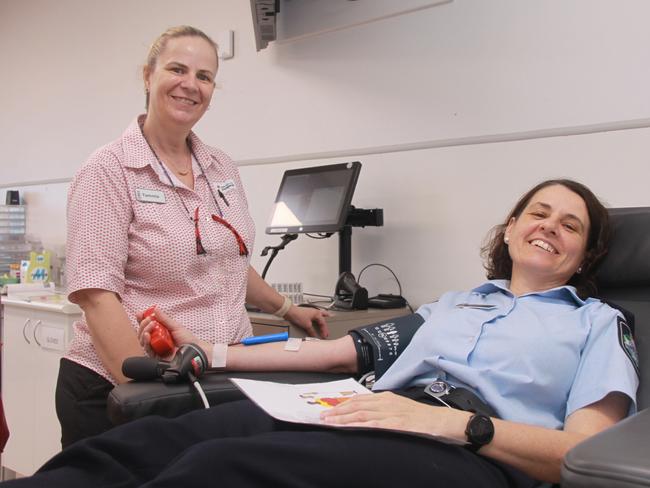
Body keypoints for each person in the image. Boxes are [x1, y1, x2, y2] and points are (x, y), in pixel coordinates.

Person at [7, 179, 638, 487]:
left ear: (584, 256)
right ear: (509, 229)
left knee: (220, 468)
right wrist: (210, 351)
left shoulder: (598, 324)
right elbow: (336, 349)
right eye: (539, 213)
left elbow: (579, 457)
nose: (550, 227)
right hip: (365, 406)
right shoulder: (453, 305)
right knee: (146, 444)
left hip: (471, 449)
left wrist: (458, 426)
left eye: (571, 225)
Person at [58, 25, 328, 448]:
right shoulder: (108, 170)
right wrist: (141, 389)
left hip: (209, 381)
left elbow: (228, 262)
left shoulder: (220, 167)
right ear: (148, 76)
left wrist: (290, 310)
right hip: (125, 387)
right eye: (177, 69)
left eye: (204, 76)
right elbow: (95, 293)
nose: (191, 85)